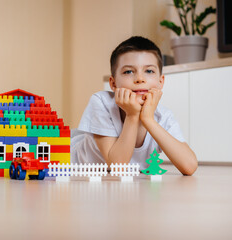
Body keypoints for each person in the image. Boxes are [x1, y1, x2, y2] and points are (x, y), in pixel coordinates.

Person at [71, 36, 197, 176]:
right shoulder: (101, 102)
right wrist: (132, 116)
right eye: (128, 72)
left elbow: (190, 166)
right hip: (72, 164)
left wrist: (149, 120)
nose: (139, 79)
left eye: (149, 71)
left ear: (160, 82)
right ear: (113, 83)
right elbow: (117, 167)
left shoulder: (163, 115)